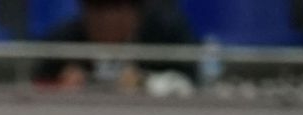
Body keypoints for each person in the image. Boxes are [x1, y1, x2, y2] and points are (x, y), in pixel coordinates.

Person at [35, 0, 197, 90]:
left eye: (114, 8)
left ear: (135, 14)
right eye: (95, 9)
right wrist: (59, 85)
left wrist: (145, 82)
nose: (104, 19)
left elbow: (190, 84)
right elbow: (35, 84)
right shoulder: (62, 42)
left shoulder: (166, 35)